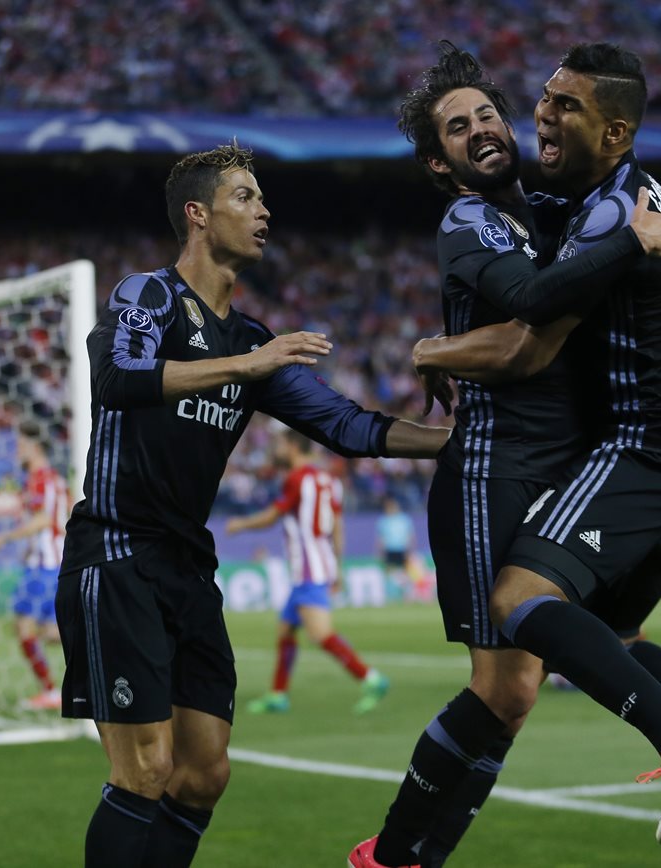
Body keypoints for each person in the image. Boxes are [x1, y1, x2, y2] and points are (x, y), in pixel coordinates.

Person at [351, 42, 661, 868]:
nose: (487, 129)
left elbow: (641, 243)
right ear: (440, 161)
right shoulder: (470, 219)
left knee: (560, 660)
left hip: (577, 456)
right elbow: (536, 318)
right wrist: (436, 347)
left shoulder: (547, 208)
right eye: (458, 128)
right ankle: (397, 858)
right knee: (513, 685)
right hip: (494, 469)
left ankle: (401, 860)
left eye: (487, 113)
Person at [54, 142, 451, 868]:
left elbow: (347, 427)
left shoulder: (252, 339)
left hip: (185, 566)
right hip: (117, 554)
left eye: (263, 198)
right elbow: (118, 378)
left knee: (204, 773)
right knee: (143, 770)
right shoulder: (149, 297)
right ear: (197, 215)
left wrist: (452, 441)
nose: (264, 211)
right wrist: (247, 366)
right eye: (245, 196)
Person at [226, 429, 389, 715]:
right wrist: (337, 566)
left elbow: (271, 517)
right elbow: (337, 525)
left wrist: (240, 524)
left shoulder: (296, 479)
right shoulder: (327, 480)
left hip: (307, 570)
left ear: (292, 447)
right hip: (318, 565)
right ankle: (278, 694)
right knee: (286, 629)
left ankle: (371, 678)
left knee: (321, 634)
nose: (277, 449)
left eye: (280, 444)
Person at [0, 421, 70, 709]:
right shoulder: (55, 479)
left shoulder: (40, 478)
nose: (17, 451)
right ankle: (96, 643)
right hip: (51, 562)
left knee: (25, 629)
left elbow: (44, 519)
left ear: (34, 447)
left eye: (20, 446)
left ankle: (49, 690)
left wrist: (4, 538)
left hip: (45, 566)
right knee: (50, 631)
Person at [376, 496, 420, 596]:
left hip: (402, 549)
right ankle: (387, 593)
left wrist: (410, 550)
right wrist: (380, 552)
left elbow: (410, 536)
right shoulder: (383, 521)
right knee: (388, 571)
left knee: (406, 571)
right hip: (389, 549)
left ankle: (407, 593)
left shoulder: (404, 519)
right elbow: (380, 538)